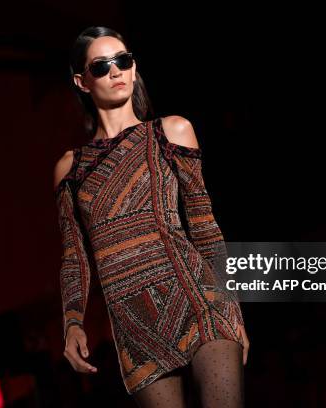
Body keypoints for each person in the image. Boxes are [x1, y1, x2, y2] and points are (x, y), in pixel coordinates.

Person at [54, 26, 250, 407]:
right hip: (135, 329)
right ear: (81, 81)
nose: (116, 71)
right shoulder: (70, 169)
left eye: (123, 61)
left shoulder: (171, 132)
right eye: (102, 66)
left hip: (200, 303)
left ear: (133, 67)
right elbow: (73, 256)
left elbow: (205, 228)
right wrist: (72, 321)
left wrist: (235, 309)